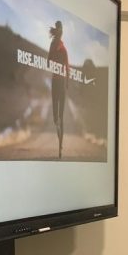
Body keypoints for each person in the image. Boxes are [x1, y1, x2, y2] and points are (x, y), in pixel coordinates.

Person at [49, 20, 70, 159]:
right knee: (61, 118)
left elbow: (48, 61)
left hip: (55, 83)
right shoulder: (63, 48)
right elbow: (67, 67)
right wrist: (67, 83)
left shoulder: (52, 44)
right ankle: (60, 147)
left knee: (56, 118)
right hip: (61, 83)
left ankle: (60, 144)